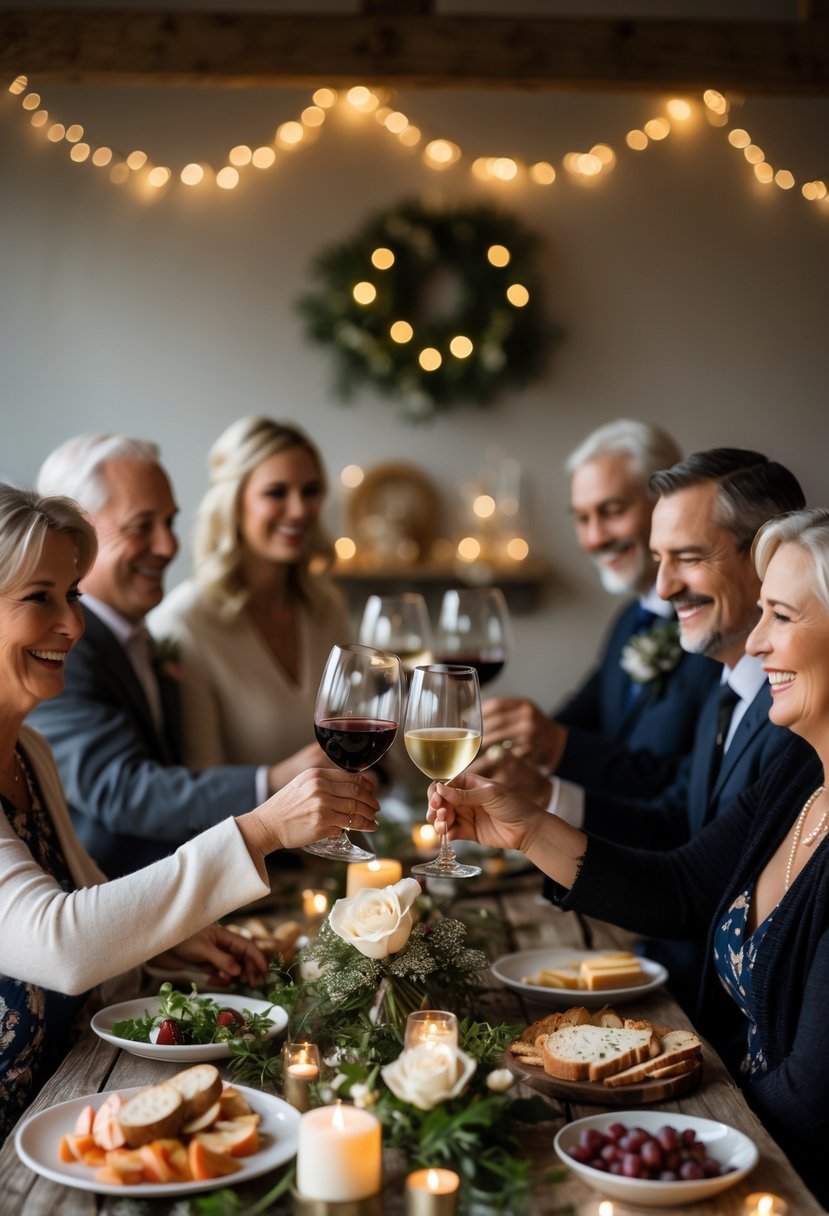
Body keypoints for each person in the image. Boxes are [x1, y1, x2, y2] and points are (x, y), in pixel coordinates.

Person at [427, 507, 829, 1208]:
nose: (756, 641)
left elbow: (806, 1103)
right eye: (758, 612)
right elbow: (677, 888)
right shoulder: (799, 771)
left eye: (781, 617)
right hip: (736, 1138)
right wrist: (526, 829)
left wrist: (653, 1126)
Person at [0, 485, 379, 1136]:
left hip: (72, 1101)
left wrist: (161, 946)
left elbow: (90, 895)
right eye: (41, 597)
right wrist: (259, 829)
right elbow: (60, 943)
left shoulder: (29, 751)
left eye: (73, 596)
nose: (72, 625)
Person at [29, 434, 336, 878]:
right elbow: (121, 790)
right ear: (73, 539)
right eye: (141, 526)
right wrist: (270, 784)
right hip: (112, 906)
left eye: (169, 523)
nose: (169, 547)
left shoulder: (142, 637)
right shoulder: (62, 647)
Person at [479, 419, 719, 803]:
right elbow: (579, 716)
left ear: (667, 502)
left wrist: (557, 745)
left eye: (612, 510)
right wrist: (507, 743)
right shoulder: (629, 620)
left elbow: (691, 788)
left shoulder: (717, 627)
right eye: (582, 518)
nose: (595, 538)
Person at [148, 415, 347, 775]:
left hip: (346, 829)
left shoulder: (326, 607)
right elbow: (203, 790)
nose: (300, 509)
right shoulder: (183, 625)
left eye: (311, 491)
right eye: (276, 492)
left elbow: (380, 754)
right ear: (233, 503)